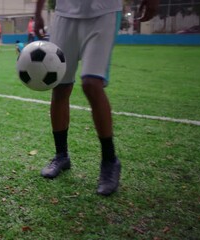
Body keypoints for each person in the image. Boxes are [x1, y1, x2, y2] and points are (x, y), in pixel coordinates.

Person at [34, 0, 159, 196]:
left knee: (91, 84)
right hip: (64, 14)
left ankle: (110, 160)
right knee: (60, 87)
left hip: (104, 11)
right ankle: (61, 156)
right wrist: (38, 10)